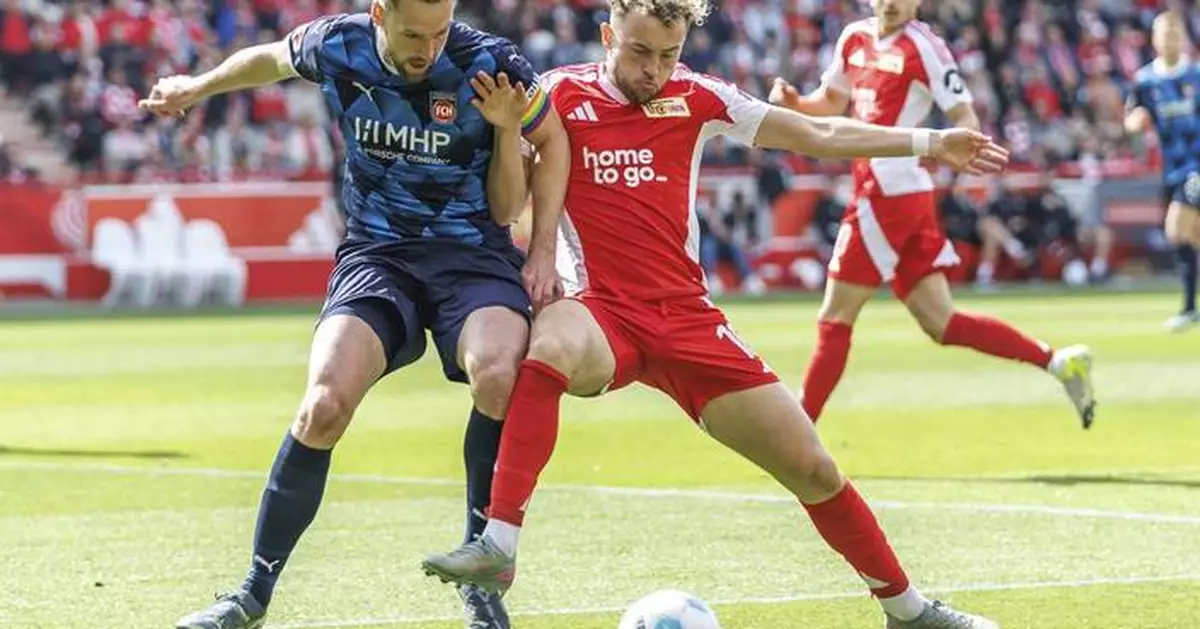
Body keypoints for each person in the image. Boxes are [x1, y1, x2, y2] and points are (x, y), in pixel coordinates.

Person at [421, 1, 1007, 627]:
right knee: (552, 341)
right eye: (639, 52)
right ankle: (500, 544)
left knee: (812, 467)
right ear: (606, 35)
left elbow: (818, 133)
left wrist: (930, 140)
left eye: (668, 55)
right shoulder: (559, 95)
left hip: (686, 317)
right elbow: (510, 196)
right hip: (602, 309)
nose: (654, 71)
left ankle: (908, 610)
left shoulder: (698, 97)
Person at [138, 0, 570, 627]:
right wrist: (197, 87)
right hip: (378, 256)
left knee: (501, 374)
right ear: (378, 14)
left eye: (440, 31)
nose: (428, 48)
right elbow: (268, 60)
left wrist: (545, 249)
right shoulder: (337, 43)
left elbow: (550, 141)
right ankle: (252, 592)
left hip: (473, 258)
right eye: (413, 34)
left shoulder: (490, 63)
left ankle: (482, 581)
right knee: (323, 405)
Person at [768, 0, 1095, 428]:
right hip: (898, 196)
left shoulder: (924, 46)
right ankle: (1056, 362)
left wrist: (968, 140)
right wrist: (796, 102)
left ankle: (797, 435)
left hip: (888, 196)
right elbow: (831, 101)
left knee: (834, 317)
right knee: (942, 323)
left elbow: (962, 110)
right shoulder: (854, 38)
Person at [1125, 10, 1200, 332]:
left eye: (1174, 35)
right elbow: (1131, 117)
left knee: (1176, 229)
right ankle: (1190, 306)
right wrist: (1136, 123)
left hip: (1196, 165)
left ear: (1182, 39)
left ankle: (1187, 307)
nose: (1169, 40)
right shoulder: (1145, 80)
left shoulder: (1196, 77)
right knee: (1192, 236)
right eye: (1164, 35)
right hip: (1170, 170)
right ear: (1154, 40)